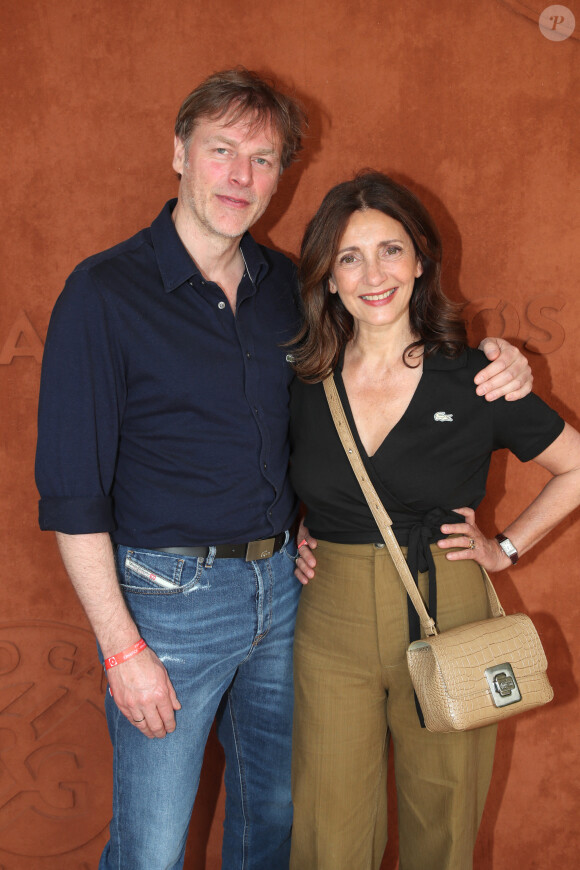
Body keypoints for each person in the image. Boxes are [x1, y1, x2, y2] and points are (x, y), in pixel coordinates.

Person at [35, 68, 531, 870]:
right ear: (179, 153)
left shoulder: (286, 294)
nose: (241, 176)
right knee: (155, 847)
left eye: (263, 159)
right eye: (221, 150)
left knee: (273, 826)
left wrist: (500, 362)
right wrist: (122, 649)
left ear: (281, 175)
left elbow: (377, 368)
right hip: (170, 607)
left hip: (290, 596)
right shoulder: (104, 295)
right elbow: (71, 495)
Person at [289, 170, 580, 870]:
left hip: (447, 606)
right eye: (349, 257)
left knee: (442, 828)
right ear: (328, 278)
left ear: (421, 260)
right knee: (328, 839)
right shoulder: (301, 378)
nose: (372, 274)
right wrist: (301, 526)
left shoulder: (478, 375)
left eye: (390, 250)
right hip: (331, 621)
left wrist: (506, 548)